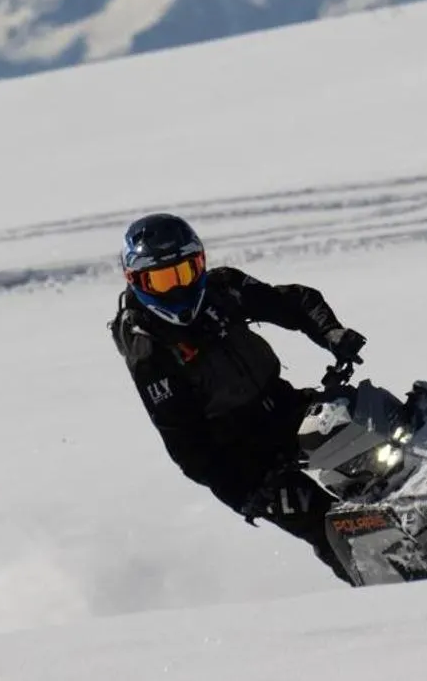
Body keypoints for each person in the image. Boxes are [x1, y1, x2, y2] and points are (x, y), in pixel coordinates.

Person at [109, 212, 368, 584]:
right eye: (162, 280)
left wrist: (332, 333)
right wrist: (246, 493)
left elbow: (295, 302)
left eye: (185, 272)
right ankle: (386, 587)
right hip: (243, 456)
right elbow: (188, 448)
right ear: (136, 282)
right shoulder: (149, 351)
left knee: (370, 431)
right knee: (327, 522)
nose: (178, 288)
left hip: (283, 407)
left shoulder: (222, 288)